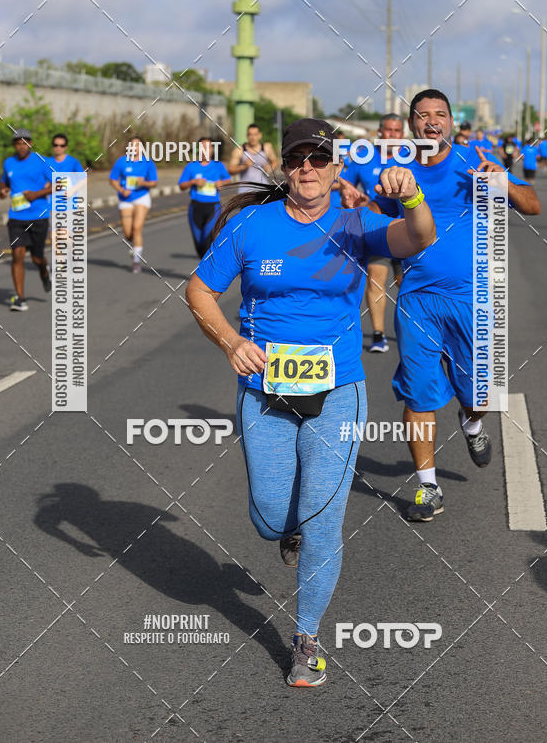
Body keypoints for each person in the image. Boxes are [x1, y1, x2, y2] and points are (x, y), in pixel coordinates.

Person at [186, 118, 435, 686]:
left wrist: (413, 195)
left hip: (338, 388)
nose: (308, 168)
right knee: (272, 519)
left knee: (325, 519)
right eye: (299, 157)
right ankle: (288, 529)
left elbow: (419, 237)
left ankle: (306, 638)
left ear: (335, 167)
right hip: (266, 391)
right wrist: (231, 342)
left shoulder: (356, 225)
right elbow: (198, 289)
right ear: (286, 165)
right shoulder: (251, 225)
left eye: (319, 159)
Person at [342, 90, 541, 522]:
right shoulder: (399, 171)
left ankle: (471, 423)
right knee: (418, 395)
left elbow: (533, 205)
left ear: (450, 121)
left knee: (479, 395)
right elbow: (379, 215)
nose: (432, 121)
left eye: (440, 114)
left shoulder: (475, 162)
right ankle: (428, 487)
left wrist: (503, 182)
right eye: (423, 115)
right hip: (417, 300)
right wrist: (362, 207)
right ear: (414, 124)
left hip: (474, 299)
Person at [350, 115, 405, 352]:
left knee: (408, 285)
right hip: (377, 231)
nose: (392, 134)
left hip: (408, 230)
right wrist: (354, 199)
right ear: (380, 132)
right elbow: (343, 183)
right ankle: (379, 334)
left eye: (397, 130)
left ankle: (410, 332)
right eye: (388, 130)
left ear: (403, 133)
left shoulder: (412, 158)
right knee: (375, 278)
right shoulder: (364, 157)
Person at [0, 128, 52, 311]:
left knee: (37, 258)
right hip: (16, 217)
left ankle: (44, 271)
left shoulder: (41, 161)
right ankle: (20, 299)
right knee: (17, 255)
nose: (21, 146)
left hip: (39, 216)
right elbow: (4, 182)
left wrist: (37, 193)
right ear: (14, 145)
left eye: (24, 143)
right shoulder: (9, 163)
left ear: (30, 143)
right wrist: (3, 190)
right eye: (18, 143)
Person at [109, 137, 158, 273]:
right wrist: (121, 189)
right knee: (128, 233)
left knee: (137, 228)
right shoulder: (121, 162)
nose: (134, 148)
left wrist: (143, 183)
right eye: (132, 145)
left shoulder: (148, 163)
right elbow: (112, 180)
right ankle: (135, 249)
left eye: (137, 146)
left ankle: (136, 261)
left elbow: (154, 182)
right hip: (125, 198)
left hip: (141, 197)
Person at [178, 137, 231, 257]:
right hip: (196, 207)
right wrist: (193, 182)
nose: (205, 151)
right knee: (199, 245)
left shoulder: (218, 165)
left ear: (212, 149)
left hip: (213, 207)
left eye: (208, 147)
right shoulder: (191, 167)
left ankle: (206, 273)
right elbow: (181, 185)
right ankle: (206, 266)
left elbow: (228, 179)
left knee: (207, 241)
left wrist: (221, 183)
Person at [227, 123, 278, 192]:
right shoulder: (240, 150)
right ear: (247, 136)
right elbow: (230, 170)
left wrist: (270, 167)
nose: (253, 137)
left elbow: (275, 161)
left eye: (255, 134)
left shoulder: (266, 148)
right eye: (250, 134)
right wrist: (244, 166)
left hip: (263, 189)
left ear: (260, 135)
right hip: (245, 190)